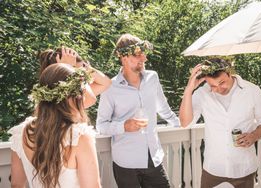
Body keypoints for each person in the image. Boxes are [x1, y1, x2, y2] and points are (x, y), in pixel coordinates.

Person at [96, 33, 180, 188]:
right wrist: (123, 126)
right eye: (138, 55)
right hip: (125, 163)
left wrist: (182, 124)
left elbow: (164, 109)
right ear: (123, 57)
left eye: (144, 54)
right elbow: (101, 125)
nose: (144, 59)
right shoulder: (110, 87)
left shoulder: (152, 78)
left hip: (153, 158)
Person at [179, 58, 261, 188]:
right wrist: (189, 90)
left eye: (222, 82)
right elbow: (185, 123)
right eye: (213, 86)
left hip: (243, 170)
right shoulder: (202, 94)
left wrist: (253, 136)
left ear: (229, 73)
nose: (218, 89)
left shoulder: (252, 90)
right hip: (213, 170)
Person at [9, 63, 102, 188]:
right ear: (72, 96)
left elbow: (16, 184)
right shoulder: (80, 137)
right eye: (81, 91)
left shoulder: (21, 132)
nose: (83, 97)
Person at [38, 46, 112, 108]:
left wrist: (86, 68)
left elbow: (106, 83)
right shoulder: (58, 98)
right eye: (79, 72)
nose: (83, 74)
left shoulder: (76, 92)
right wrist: (72, 70)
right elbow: (91, 99)